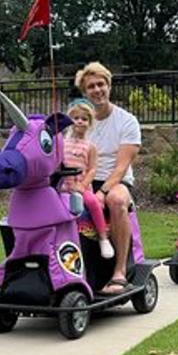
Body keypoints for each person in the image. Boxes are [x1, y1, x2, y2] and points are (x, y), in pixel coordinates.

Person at [76, 62, 141, 294]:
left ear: (109, 86)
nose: (97, 90)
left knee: (116, 200)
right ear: (85, 92)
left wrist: (102, 192)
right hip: (84, 180)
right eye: (91, 86)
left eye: (100, 84)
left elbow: (122, 166)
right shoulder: (80, 122)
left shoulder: (126, 121)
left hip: (116, 181)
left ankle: (120, 271)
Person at [62, 99, 113, 258]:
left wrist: (83, 185)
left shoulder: (90, 147)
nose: (80, 121)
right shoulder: (63, 143)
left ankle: (103, 238)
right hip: (63, 187)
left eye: (84, 119)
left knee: (92, 202)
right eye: (76, 118)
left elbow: (92, 169)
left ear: (89, 123)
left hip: (80, 187)